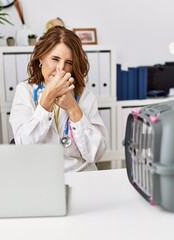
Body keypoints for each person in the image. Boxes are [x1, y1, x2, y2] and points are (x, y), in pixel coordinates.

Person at [9, 26, 108, 172]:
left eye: (69, 63)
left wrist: (73, 108)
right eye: (55, 59)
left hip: (81, 174)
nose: (61, 69)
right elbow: (24, 146)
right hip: (40, 176)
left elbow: (97, 153)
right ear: (41, 58)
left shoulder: (85, 95)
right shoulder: (25, 91)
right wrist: (46, 100)